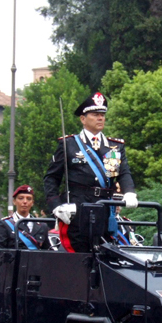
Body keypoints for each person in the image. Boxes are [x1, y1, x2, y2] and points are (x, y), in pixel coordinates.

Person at [43, 91, 137, 253]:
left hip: (106, 210)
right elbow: (51, 178)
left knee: (104, 256)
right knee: (77, 258)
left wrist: (129, 192)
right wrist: (57, 206)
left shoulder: (114, 146)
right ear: (83, 119)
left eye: (102, 114)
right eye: (95, 114)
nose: (100, 118)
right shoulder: (69, 144)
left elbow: (123, 173)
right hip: (77, 210)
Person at [0, 185, 51, 250]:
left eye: (29, 199)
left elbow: (47, 251)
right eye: (21, 198)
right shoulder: (5, 224)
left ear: (32, 203)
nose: (25, 201)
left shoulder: (42, 226)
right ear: (14, 201)